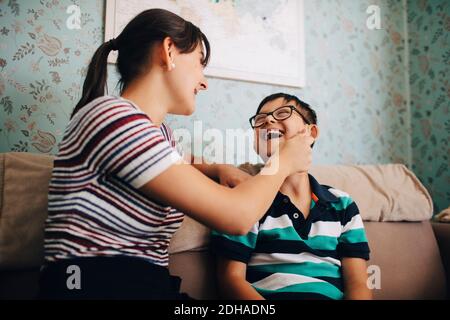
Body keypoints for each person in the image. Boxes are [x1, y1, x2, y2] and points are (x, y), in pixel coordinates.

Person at [38, 10, 313, 299]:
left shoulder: (160, 136)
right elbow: (237, 216)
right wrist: (283, 162)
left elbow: (179, 163)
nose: (204, 82)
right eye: (199, 64)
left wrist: (219, 168)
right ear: (169, 51)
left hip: (147, 285)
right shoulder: (112, 116)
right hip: (96, 284)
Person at [211, 93, 372, 300]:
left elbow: (358, 284)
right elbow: (230, 280)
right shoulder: (245, 201)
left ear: (310, 132)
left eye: (282, 113)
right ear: (255, 143)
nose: (268, 120)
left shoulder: (342, 205)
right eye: (260, 119)